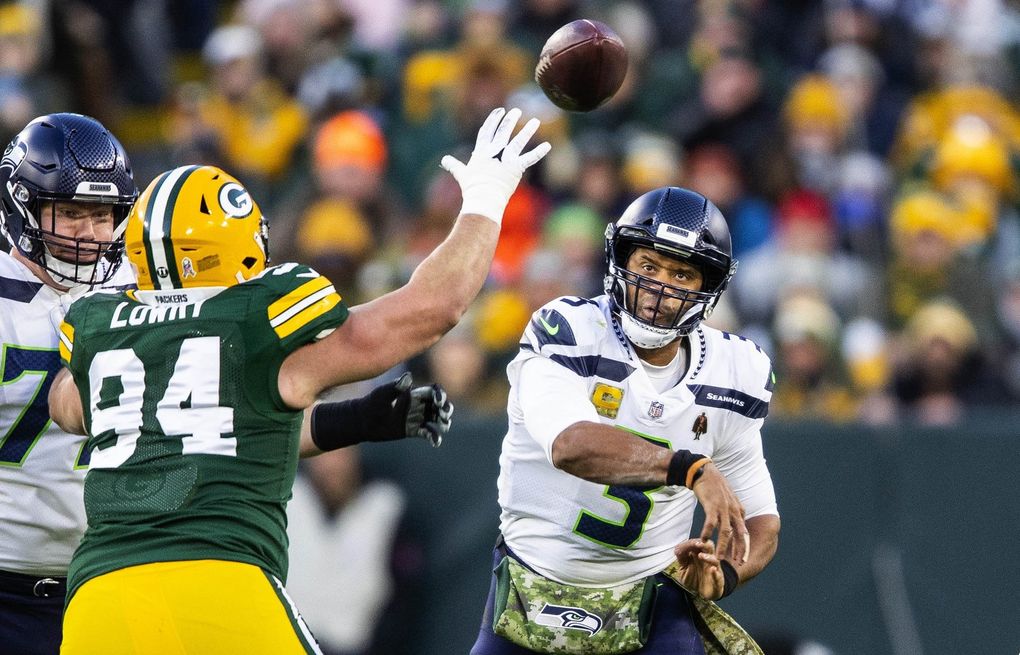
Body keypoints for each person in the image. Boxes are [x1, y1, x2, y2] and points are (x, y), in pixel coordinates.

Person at [47, 106, 550, 654]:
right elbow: (435, 308)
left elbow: (70, 407)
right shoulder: (256, 317)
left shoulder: (100, 328)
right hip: (220, 584)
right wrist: (484, 202)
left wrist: (351, 420)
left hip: (99, 599)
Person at [471, 187, 781, 654]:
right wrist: (690, 469)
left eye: (681, 274)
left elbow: (761, 522)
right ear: (621, 262)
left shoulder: (734, 372)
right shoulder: (568, 331)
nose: (659, 289)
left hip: (650, 596)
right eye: (648, 266)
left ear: (707, 288)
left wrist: (725, 576)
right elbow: (570, 446)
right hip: (532, 589)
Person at [0, 112, 137, 655]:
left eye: (102, 215)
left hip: (106, 581)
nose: (89, 235)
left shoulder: (138, 288)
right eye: (71, 213)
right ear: (22, 208)